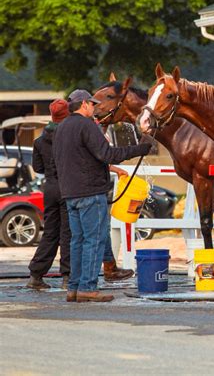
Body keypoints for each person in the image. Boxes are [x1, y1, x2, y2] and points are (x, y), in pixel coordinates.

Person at [53, 89, 152, 303]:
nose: (94, 108)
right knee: (94, 241)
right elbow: (107, 154)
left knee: (77, 241)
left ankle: (74, 288)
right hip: (90, 192)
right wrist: (139, 149)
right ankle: (88, 287)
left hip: (70, 193)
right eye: (91, 104)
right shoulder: (87, 125)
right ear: (83, 105)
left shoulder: (61, 128)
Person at [27, 99, 71, 290]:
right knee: (68, 234)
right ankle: (67, 277)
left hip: (50, 189)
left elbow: (38, 167)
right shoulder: (69, 137)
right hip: (68, 187)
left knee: (50, 233)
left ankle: (36, 275)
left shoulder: (39, 140)